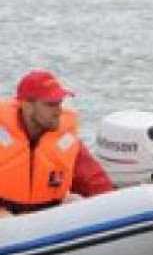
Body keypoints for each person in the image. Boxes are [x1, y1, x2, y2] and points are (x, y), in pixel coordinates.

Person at [0, 70, 113, 218]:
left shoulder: (65, 141)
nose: (58, 111)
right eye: (50, 105)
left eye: (59, 103)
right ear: (27, 106)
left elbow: (94, 180)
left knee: (74, 201)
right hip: (6, 216)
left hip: (48, 216)